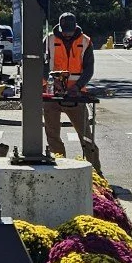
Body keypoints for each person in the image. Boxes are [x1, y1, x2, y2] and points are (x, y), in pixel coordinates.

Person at [45, 9, 97, 160]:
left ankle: (95, 171)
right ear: (60, 27)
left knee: (86, 135)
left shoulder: (85, 41)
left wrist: (78, 86)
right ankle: (59, 166)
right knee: (52, 135)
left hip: (76, 95)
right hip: (52, 94)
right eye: (65, 31)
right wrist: (52, 81)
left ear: (75, 27)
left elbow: (89, 68)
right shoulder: (49, 40)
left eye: (70, 31)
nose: (67, 34)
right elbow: (41, 65)